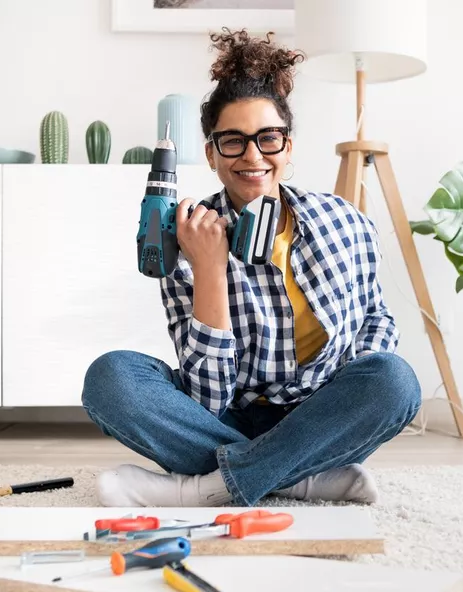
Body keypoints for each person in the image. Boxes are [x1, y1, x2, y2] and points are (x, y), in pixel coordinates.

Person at [81, 28, 421, 508]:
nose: (253, 156)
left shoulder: (347, 224)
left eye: (268, 138)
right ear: (211, 154)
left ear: (289, 144)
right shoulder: (186, 237)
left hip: (318, 414)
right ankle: (298, 477)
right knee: (109, 378)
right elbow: (207, 399)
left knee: (395, 380)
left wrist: (343, 398)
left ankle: (205, 488)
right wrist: (210, 269)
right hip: (225, 416)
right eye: (233, 142)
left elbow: (375, 320)